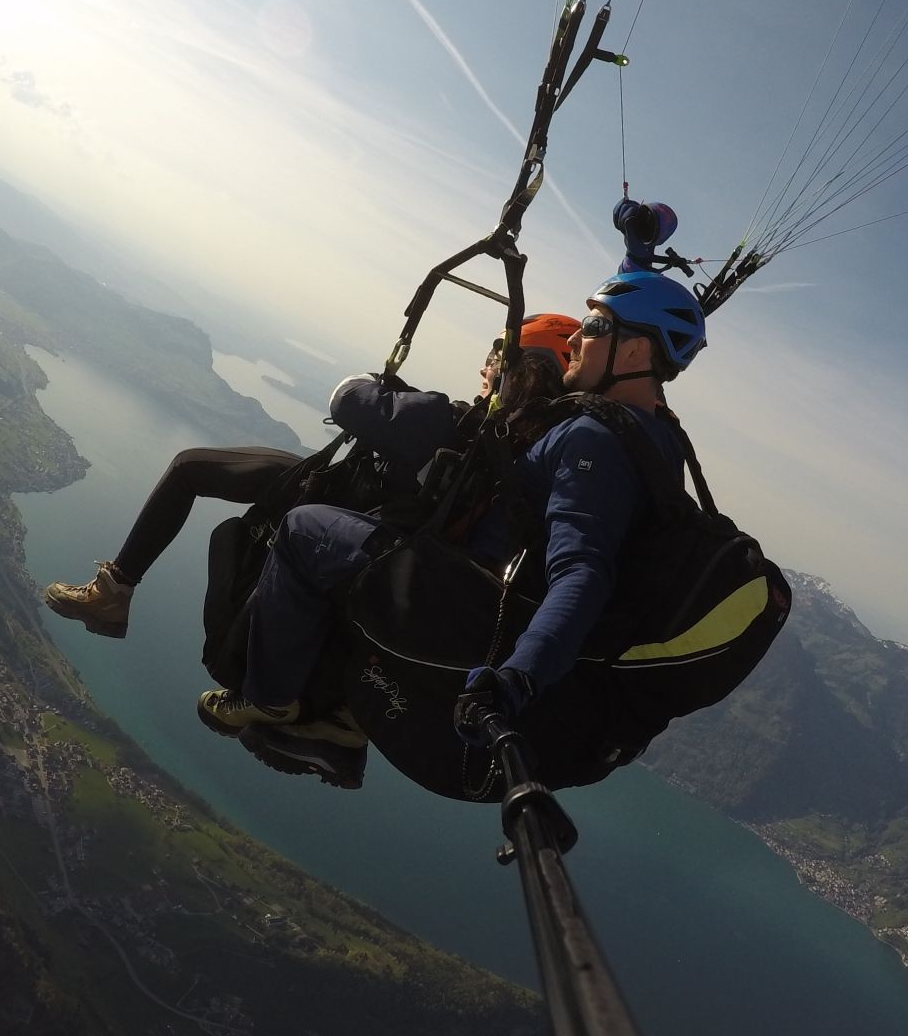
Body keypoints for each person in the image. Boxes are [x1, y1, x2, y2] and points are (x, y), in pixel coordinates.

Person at [198, 200, 707, 791]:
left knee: (306, 529)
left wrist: (517, 677)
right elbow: (631, 331)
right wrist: (638, 251)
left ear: (636, 353)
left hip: (467, 605)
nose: (576, 341)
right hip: (481, 598)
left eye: (593, 327)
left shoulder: (596, 443)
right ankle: (340, 721)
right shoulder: (657, 434)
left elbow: (583, 572)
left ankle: (267, 699)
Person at [39, 314, 579, 641]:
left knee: (189, 468)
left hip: (335, 497)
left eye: (496, 356)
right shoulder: (518, 454)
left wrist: (382, 386)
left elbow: (347, 398)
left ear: (518, 369)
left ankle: (112, 595)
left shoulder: (455, 421)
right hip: (377, 529)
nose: (485, 365)